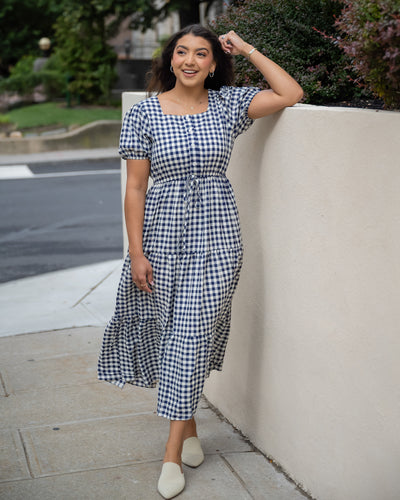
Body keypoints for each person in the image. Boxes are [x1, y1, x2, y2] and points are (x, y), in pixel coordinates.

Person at [98, 24, 303, 499]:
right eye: (183, 52)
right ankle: (188, 424)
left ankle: (171, 452)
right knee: (172, 333)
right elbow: (134, 188)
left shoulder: (229, 105)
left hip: (218, 238)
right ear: (171, 59)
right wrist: (137, 251)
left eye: (203, 53)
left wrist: (246, 46)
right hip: (162, 236)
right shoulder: (145, 113)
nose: (190, 60)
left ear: (214, 63)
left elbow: (290, 92)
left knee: (192, 332)